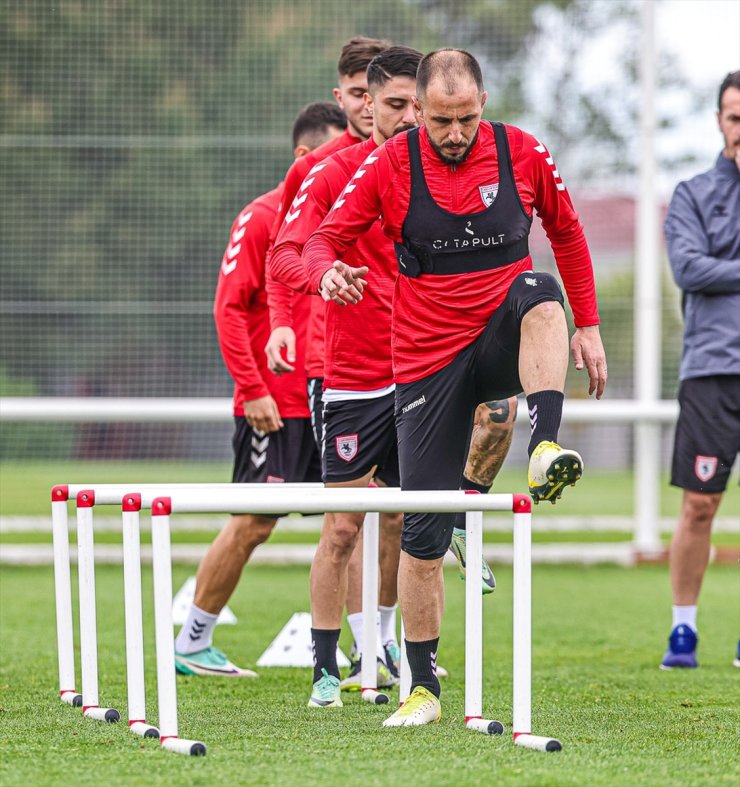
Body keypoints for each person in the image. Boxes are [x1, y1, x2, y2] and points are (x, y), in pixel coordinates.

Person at [303, 48, 607, 725]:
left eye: (466, 118)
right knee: (423, 533)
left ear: (484, 103)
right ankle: (423, 688)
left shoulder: (523, 152)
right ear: (422, 112)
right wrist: (327, 273)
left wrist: (588, 324)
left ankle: (546, 446)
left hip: (498, 341)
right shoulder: (390, 163)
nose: (453, 133)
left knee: (538, 288)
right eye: (440, 120)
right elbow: (324, 239)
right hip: (425, 361)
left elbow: (567, 230)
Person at [271, 48, 518, 705]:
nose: (412, 118)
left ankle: (395, 655)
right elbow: (288, 252)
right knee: (344, 524)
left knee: (408, 528)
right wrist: (315, 284)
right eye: (395, 105)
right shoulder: (331, 172)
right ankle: (335, 661)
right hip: (350, 373)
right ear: (365, 105)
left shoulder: (448, 165)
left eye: (421, 107)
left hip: (421, 369)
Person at [173, 102, 347, 677]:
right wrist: (253, 389)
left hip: (337, 393)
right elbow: (227, 310)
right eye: (335, 151)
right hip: (275, 404)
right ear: (306, 156)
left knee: (356, 520)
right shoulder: (262, 216)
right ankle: (193, 642)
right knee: (253, 521)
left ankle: (374, 645)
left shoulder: (346, 214)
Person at [660, 70, 740, 671]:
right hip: (712, 371)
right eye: (736, 118)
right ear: (720, 120)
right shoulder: (691, 194)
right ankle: (682, 629)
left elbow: (714, 267)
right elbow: (689, 269)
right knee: (699, 506)